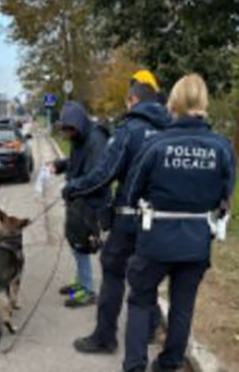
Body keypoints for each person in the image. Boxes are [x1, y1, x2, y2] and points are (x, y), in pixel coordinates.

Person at [121, 74, 236, 372]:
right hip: (196, 241)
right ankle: (169, 363)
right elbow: (225, 197)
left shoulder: (156, 143)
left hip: (156, 238)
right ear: (204, 104)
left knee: (140, 300)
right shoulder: (222, 147)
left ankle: (134, 366)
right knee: (182, 307)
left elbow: (131, 192)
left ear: (172, 103)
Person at [62, 70, 170, 353]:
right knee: (146, 275)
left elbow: (103, 174)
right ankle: (149, 329)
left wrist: (73, 188)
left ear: (133, 99)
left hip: (129, 216)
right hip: (162, 219)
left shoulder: (130, 129)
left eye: (127, 101)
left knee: (112, 271)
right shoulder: (171, 127)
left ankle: (105, 337)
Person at [50, 102, 111, 308]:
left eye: (70, 130)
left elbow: (95, 176)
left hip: (91, 201)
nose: (67, 134)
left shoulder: (96, 140)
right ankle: (81, 281)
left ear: (79, 124)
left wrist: (72, 186)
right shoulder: (80, 137)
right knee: (75, 240)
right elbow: (77, 163)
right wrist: (62, 165)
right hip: (78, 198)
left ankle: (88, 290)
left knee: (82, 244)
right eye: (65, 130)